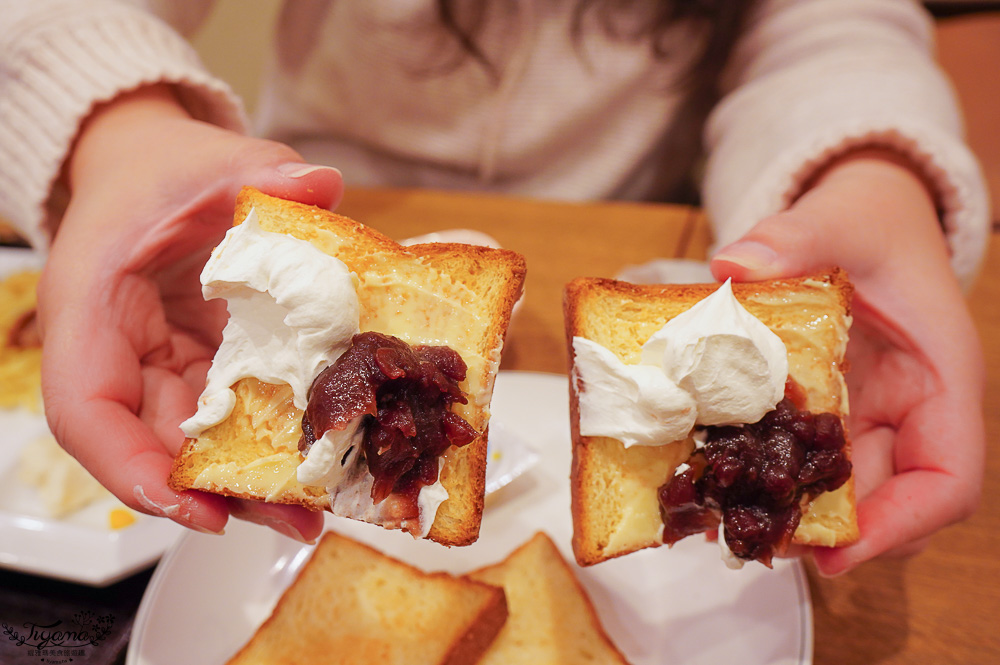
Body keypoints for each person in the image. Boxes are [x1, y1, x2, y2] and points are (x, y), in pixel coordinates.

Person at [0, 0, 988, 576]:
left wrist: (871, 173)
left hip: (626, 246)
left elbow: (833, 27)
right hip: (306, 235)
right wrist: (116, 130)